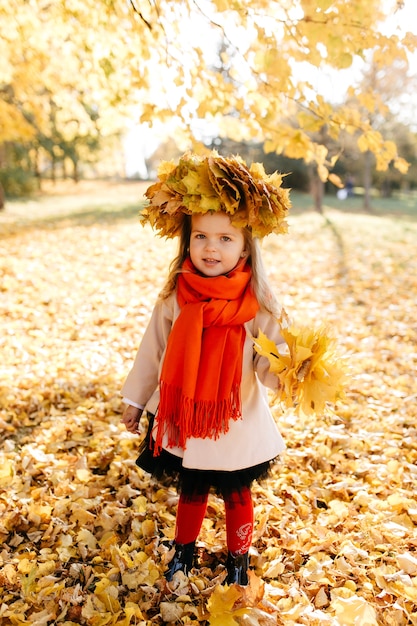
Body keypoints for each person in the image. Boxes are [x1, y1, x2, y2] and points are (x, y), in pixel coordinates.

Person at [121, 152, 292, 586]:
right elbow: (153, 350)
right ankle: (184, 550)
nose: (210, 248)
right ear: (187, 241)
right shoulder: (176, 297)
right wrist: (135, 401)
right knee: (191, 490)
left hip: (236, 419)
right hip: (188, 419)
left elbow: (270, 359)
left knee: (237, 492)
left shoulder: (259, 305)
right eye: (200, 236)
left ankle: (239, 556)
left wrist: (290, 373)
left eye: (224, 238)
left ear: (245, 246)